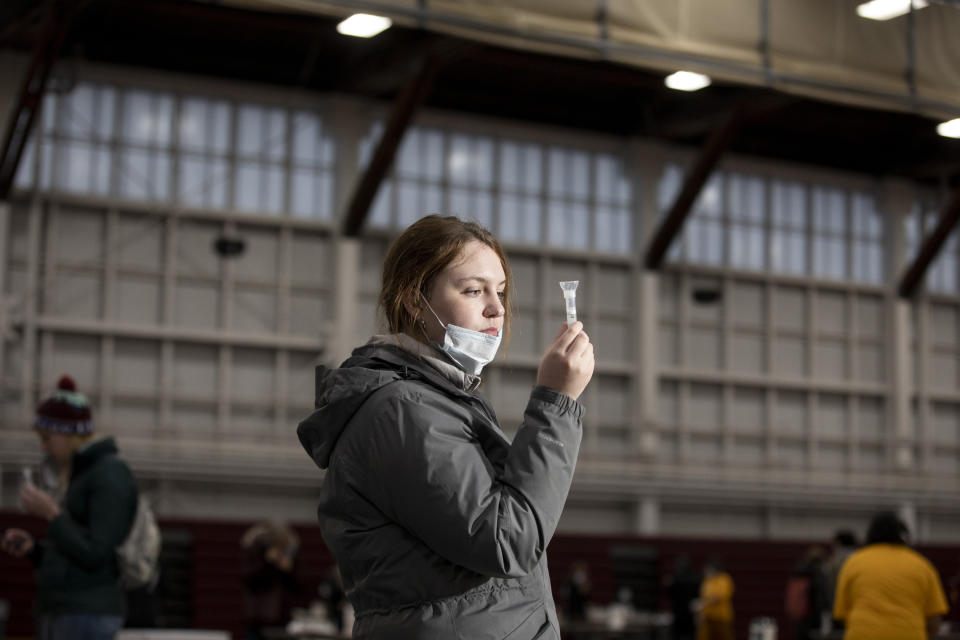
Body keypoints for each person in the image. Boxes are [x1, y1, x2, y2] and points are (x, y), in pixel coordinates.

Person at [297, 215, 595, 639]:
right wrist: (556, 402)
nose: (496, 308)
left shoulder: (437, 401)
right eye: (474, 290)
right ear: (415, 300)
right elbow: (506, 540)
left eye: (501, 291)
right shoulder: (401, 411)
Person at [1, 375, 138, 640]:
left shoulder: (109, 473)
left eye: (47, 437)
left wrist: (52, 514)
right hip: (64, 609)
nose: (43, 446)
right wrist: (35, 550)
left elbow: (96, 552)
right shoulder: (81, 475)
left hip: (87, 614)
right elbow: (72, 551)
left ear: (67, 434)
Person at [833, 511, 948, 640]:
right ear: (903, 536)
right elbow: (934, 621)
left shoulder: (853, 563)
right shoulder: (922, 565)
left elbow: (842, 614)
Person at [241, 520, 302, 640]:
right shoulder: (256, 552)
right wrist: (268, 563)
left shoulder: (291, 556)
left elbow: (300, 587)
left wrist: (288, 570)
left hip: (284, 620)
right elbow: (248, 579)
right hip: (258, 619)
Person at [785, 545, 829, 640]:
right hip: (811, 619)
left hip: (798, 616)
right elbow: (821, 600)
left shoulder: (798, 573)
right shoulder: (817, 575)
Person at [695, 558, 734, 640]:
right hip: (708, 618)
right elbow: (703, 597)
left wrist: (703, 604)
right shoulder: (707, 580)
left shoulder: (724, 579)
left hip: (721, 618)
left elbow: (720, 596)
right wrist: (700, 613)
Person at [665, 554, 700, 640]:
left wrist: (669, 584)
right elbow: (698, 595)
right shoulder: (695, 578)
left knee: (677, 635)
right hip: (691, 613)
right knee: (691, 635)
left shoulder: (676, 579)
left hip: (679, 612)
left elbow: (669, 593)